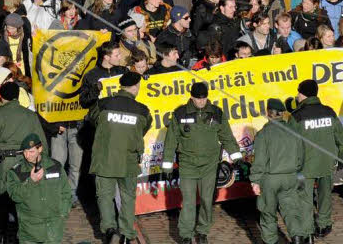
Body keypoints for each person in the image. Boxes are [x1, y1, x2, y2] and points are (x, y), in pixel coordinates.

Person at [160, 81, 243, 244]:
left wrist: (236, 156)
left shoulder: (216, 114)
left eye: (204, 98)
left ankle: (203, 231)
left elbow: (226, 136)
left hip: (209, 166)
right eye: (198, 99)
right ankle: (185, 234)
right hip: (188, 164)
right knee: (189, 201)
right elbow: (171, 141)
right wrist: (167, 166)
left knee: (206, 200)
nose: (201, 101)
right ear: (192, 97)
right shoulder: (180, 114)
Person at [86, 71, 152, 244]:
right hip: (128, 161)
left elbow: (91, 120)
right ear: (136, 87)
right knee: (128, 197)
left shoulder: (103, 105)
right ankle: (127, 233)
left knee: (105, 196)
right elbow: (144, 129)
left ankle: (109, 230)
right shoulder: (142, 111)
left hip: (104, 159)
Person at [0, 80, 49, 239]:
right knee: (26, 195)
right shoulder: (30, 115)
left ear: (1, 97)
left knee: (3, 196)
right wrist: (42, 161)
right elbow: (42, 142)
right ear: (18, 96)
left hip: (4, 161)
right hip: (26, 158)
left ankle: (1, 230)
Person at [288, 80, 343, 237]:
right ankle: (323, 224)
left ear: (303, 94)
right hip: (327, 161)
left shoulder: (296, 116)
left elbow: (290, 144)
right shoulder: (329, 112)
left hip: (305, 164)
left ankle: (307, 232)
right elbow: (340, 137)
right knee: (325, 194)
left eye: (299, 92)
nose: (297, 95)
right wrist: (342, 156)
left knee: (305, 197)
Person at [250, 98, 312, 244]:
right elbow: (301, 157)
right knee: (291, 211)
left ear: (268, 113)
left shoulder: (263, 134)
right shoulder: (294, 132)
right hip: (290, 177)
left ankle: (271, 241)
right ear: (282, 113)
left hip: (269, 179)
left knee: (268, 213)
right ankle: (297, 239)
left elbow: (259, 161)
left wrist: (255, 181)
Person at [6, 133, 74, 244]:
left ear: (40, 148)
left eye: (31, 151)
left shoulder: (55, 167)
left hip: (53, 230)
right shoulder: (16, 172)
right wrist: (31, 181)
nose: (27, 155)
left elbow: (65, 192)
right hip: (30, 232)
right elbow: (15, 196)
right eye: (25, 151)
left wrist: (63, 213)